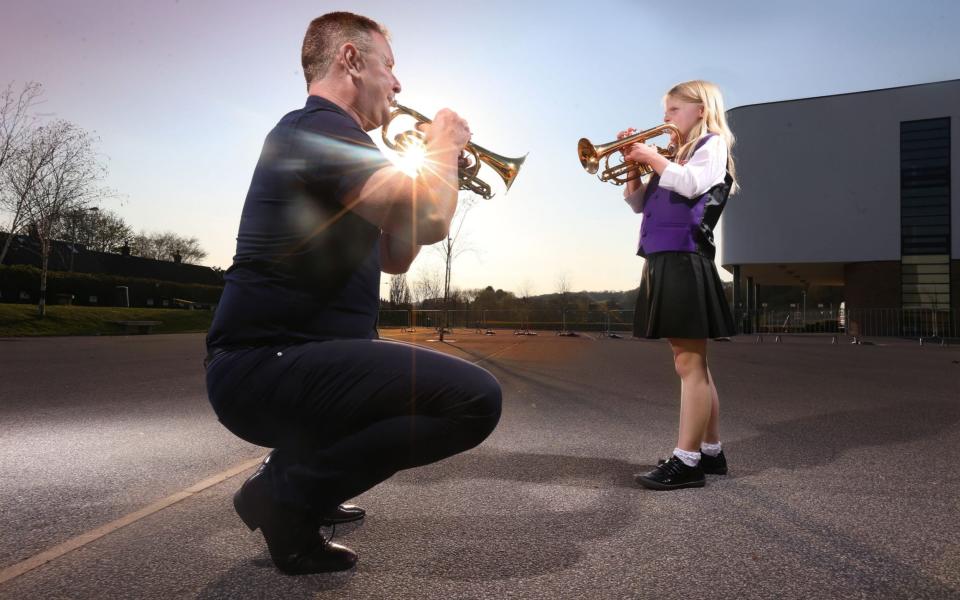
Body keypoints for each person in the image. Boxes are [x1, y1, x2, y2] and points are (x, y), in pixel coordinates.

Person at [204, 12, 502, 574]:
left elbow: (395, 255)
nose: (397, 84)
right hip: (263, 365)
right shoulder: (312, 127)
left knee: (403, 383)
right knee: (475, 400)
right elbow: (435, 221)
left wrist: (441, 169)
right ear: (350, 59)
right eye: (388, 66)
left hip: (300, 362)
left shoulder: (347, 150)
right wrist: (441, 147)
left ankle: (293, 481)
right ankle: (288, 497)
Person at [619, 80, 737, 490]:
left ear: (700, 109)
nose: (665, 117)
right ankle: (710, 452)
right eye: (666, 110)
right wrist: (634, 166)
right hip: (663, 257)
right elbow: (637, 203)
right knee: (692, 364)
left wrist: (650, 155)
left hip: (684, 258)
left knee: (690, 364)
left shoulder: (712, 144)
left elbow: (688, 185)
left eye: (673, 109)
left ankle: (686, 462)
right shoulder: (676, 154)